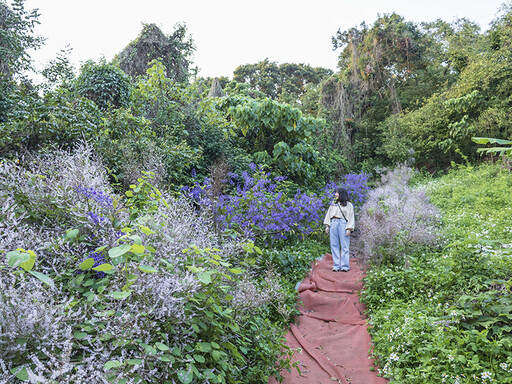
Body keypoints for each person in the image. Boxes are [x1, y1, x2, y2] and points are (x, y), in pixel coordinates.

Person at [323, 188, 355, 272]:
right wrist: (327, 225)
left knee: (344, 246)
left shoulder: (349, 205)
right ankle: (336, 265)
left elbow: (351, 217)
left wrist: (349, 228)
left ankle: (345, 266)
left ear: (342, 194)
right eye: (336, 193)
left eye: (337, 193)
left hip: (343, 224)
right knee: (334, 245)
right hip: (333, 223)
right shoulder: (333, 204)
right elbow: (328, 214)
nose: (335, 194)